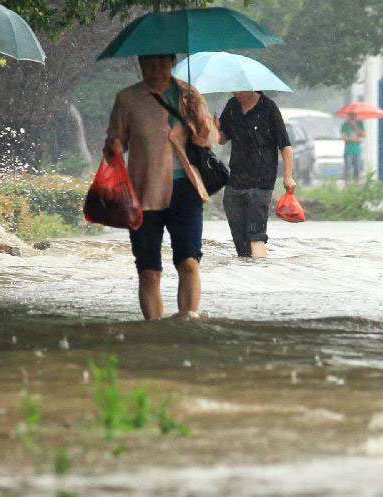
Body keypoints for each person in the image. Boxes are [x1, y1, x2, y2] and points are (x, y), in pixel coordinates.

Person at [104, 54, 219, 321]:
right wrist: (116, 147)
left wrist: (198, 112)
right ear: (140, 65)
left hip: (185, 191)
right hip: (143, 192)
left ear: (172, 63)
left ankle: (187, 324)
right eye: (148, 65)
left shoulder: (189, 95)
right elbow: (115, 142)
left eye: (161, 64)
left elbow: (209, 140)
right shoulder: (127, 99)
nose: (155, 70)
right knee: (148, 271)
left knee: (189, 263)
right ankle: (153, 332)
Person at [219, 91, 294, 258]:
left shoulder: (268, 108)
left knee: (256, 235)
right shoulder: (232, 106)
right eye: (234, 89)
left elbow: (285, 146)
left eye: (240, 89)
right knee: (240, 240)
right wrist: (209, 127)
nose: (236, 93)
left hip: (262, 181)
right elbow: (222, 138)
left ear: (252, 87)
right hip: (235, 181)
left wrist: (288, 176)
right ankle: (247, 276)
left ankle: (261, 274)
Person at [341, 112, 365, 182]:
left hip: (357, 150)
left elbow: (363, 134)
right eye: (351, 115)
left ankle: (356, 182)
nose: (352, 117)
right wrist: (353, 139)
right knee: (348, 167)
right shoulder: (345, 125)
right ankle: (347, 183)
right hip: (348, 150)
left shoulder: (360, 124)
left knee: (357, 168)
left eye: (354, 115)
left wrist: (355, 127)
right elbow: (343, 137)